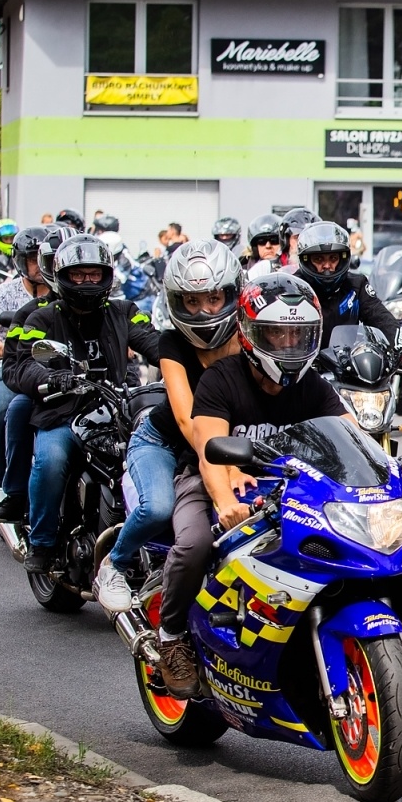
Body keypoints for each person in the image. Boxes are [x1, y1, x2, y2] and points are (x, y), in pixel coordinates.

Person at [154, 274, 350, 697]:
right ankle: (170, 637)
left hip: (286, 489)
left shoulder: (313, 386)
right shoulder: (222, 379)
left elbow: (352, 437)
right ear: (250, 333)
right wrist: (225, 500)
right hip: (211, 482)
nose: (286, 344)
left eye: (297, 335)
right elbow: (208, 449)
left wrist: (385, 475)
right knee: (194, 546)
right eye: (276, 332)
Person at [93, 239, 242, 614]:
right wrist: (224, 467)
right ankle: (115, 564)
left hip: (227, 443)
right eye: (192, 301)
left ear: (231, 295)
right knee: (157, 508)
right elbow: (185, 417)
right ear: (177, 302)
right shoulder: (172, 342)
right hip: (163, 441)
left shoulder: (246, 338)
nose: (204, 309)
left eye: (213, 298)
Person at [0, 236, 159, 573]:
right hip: (62, 411)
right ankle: (42, 542)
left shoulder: (123, 311)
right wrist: (52, 378)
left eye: (93, 274)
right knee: (51, 458)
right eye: (78, 275)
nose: (87, 282)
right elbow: (26, 363)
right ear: (62, 275)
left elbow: (157, 344)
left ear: (106, 275)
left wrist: (187, 365)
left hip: (117, 410)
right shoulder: (42, 317)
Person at [0, 226, 68, 519]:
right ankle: (1, 481)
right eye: (32, 259)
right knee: (9, 408)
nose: (38, 265)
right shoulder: (21, 301)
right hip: (21, 371)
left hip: (72, 380)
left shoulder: (90, 302)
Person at [0, 227, 52, 501]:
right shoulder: (6, 292)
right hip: (12, 367)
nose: (39, 264)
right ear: (20, 261)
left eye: (44, 258)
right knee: (3, 408)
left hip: (52, 368)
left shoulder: (62, 291)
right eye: (33, 258)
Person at [293, 220, 402, 343]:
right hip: (304, 360)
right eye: (318, 259)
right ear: (306, 260)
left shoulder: (356, 285)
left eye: (333, 258)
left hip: (345, 359)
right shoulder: (294, 287)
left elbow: (382, 318)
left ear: (343, 259)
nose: (327, 266)